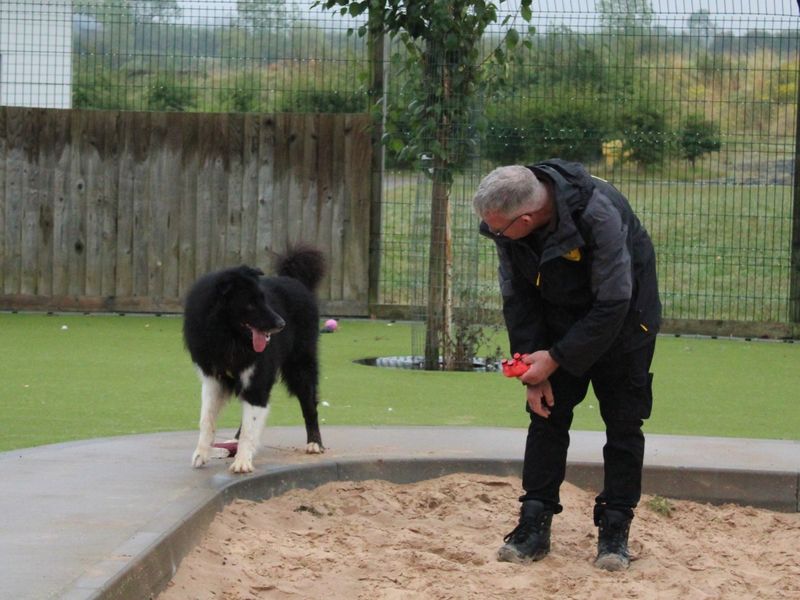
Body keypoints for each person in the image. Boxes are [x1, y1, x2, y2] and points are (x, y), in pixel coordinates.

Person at [473, 159, 661, 571]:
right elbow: (518, 298)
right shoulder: (509, 230)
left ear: (525, 218)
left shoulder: (598, 212)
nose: (494, 236)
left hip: (627, 324)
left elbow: (614, 300)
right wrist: (529, 367)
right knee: (546, 415)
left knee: (624, 424)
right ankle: (533, 526)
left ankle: (615, 531)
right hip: (560, 323)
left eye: (499, 229)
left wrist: (556, 358)